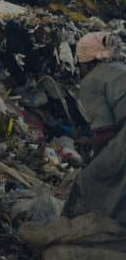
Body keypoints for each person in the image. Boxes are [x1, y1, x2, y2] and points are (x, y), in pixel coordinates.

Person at [63, 32, 126, 223]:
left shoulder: (91, 81)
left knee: (91, 180)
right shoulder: (120, 68)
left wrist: (93, 160)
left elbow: (106, 132)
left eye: (80, 65)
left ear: (87, 63)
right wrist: (92, 141)